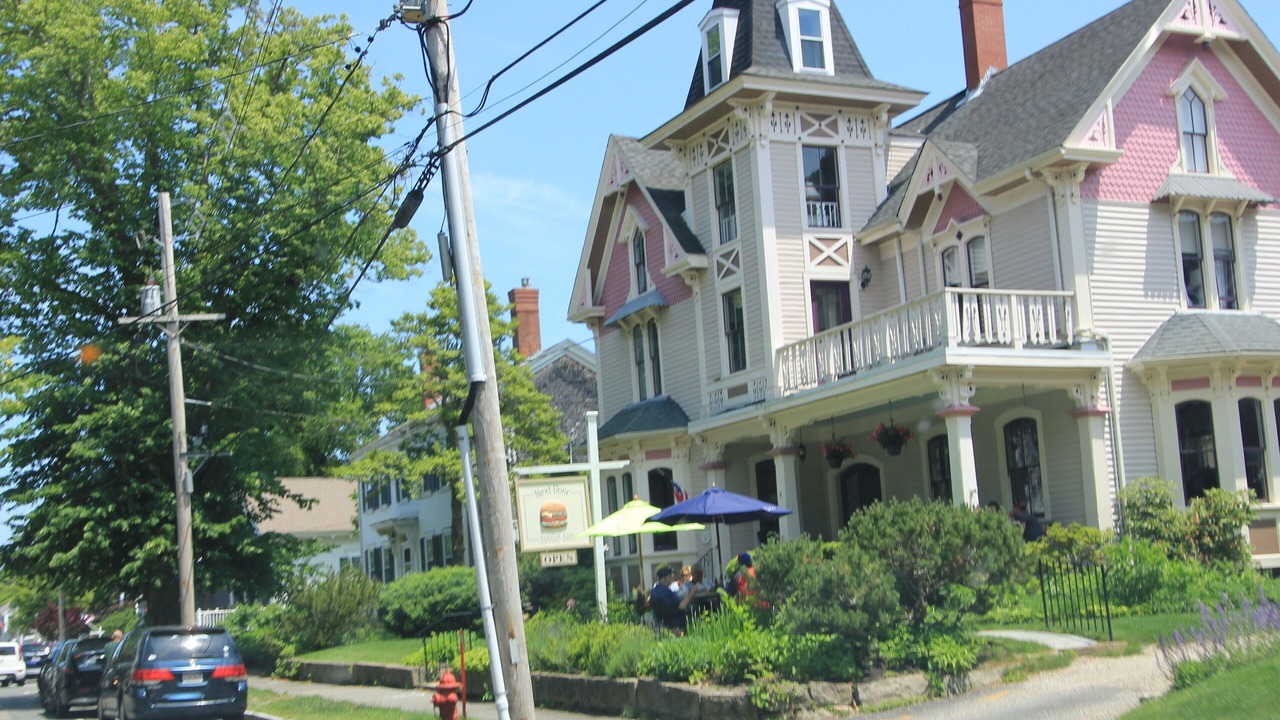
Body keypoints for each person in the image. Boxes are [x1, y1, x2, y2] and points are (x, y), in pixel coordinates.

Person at [648, 565, 693, 633]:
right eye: (670, 575)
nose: (672, 577)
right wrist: (692, 593)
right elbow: (681, 605)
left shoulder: (654, 592)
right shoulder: (667, 592)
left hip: (661, 623)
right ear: (664, 578)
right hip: (676, 623)